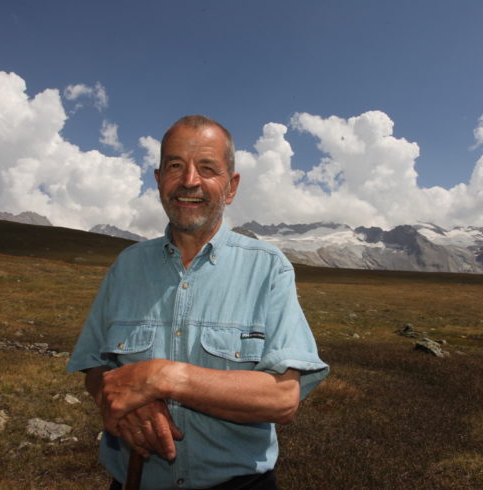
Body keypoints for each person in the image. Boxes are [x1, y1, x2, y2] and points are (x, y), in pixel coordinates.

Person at [67, 115, 328, 490]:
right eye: (175, 166)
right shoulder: (126, 267)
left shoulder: (268, 268)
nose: (189, 181)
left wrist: (167, 378)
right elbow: (94, 367)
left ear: (231, 186)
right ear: (158, 180)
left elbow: (283, 398)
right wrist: (124, 404)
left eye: (207, 168)